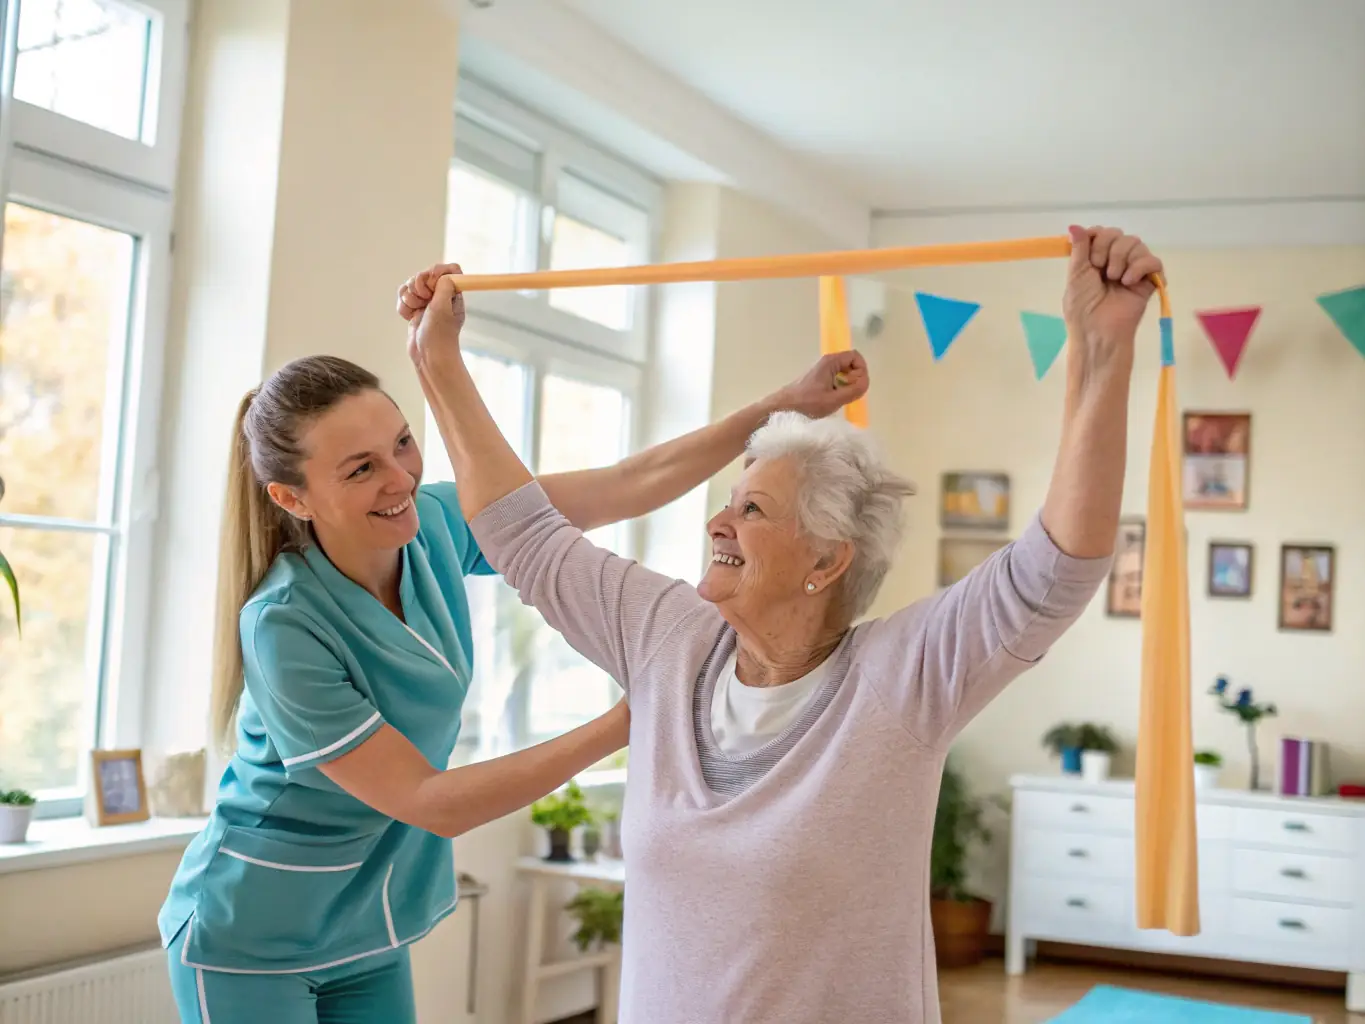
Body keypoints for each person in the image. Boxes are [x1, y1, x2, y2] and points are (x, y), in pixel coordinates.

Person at [402, 225, 1161, 1024]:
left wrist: (1098, 350)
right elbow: (522, 533)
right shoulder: (669, 638)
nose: (716, 524)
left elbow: (1056, 567)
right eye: (728, 503)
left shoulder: (901, 680)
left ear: (826, 560)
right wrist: (438, 364)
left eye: (751, 509)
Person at [158, 279, 869, 1023]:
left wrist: (781, 406)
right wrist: (635, 712)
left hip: (365, 921)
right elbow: (428, 802)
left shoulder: (433, 525)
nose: (401, 478)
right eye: (360, 468)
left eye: (401, 442)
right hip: (250, 934)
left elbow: (627, 484)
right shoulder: (283, 624)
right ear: (291, 498)